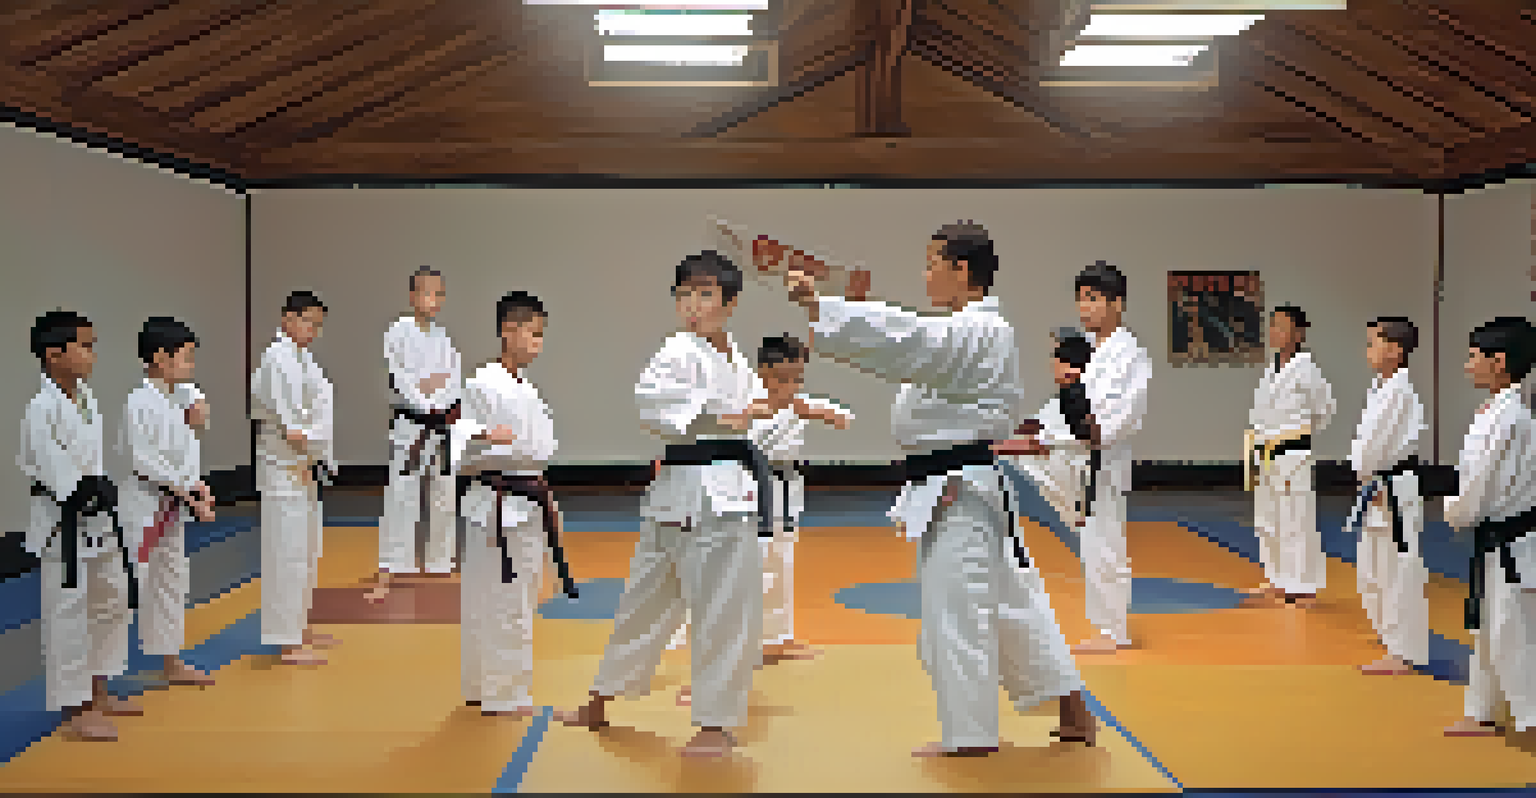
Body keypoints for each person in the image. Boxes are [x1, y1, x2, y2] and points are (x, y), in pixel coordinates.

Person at [765, 221, 1097, 756]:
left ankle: (970, 736)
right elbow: (915, 344)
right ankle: (1073, 711)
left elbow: (913, 341)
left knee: (958, 611)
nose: (925, 275)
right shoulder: (967, 331)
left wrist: (822, 308)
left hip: (959, 489)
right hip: (961, 486)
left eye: (930, 263)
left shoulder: (980, 330)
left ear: (960, 269)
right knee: (1013, 605)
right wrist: (836, 310)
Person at [556, 251, 777, 759]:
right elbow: (650, 405)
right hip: (677, 489)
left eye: (705, 295)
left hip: (727, 496)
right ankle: (600, 698)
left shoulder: (737, 361)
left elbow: (753, 423)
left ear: (731, 302)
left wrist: (747, 418)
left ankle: (715, 724)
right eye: (683, 295)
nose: (692, 306)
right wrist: (726, 415)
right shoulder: (677, 351)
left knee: (725, 611)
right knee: (642, 601)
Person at [670, 333, 854, 705]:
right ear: (762, 374)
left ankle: (776, 639)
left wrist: (819, 411)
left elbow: (845, 419)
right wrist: (755, 413)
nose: (790, 387)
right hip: (747, 491)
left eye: (796, 379)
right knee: (736, 579)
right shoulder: (744, 405)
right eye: (782, 379)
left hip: (786, 491)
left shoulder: (798, 404)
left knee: (780, 566)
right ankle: (709, 669)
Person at [20, 310, 140, 741]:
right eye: (84, 346)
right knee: (69, 614)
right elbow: (55, 471)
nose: (92, 354)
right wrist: (87, 490)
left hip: (98, 521)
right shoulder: (41, 409)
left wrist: (103, 493)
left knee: (111, 601)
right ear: (55, 354)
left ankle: (100, 688)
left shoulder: (86, 398)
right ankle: (78, 706)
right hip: (64, 524)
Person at [454, 291, 574, 717]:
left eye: (543, 335)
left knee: (496, 598)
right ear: (509, 330)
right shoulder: (482, 383)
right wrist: (487, 439)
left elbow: (539, 451)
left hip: (523, 501)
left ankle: (481, 685)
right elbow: (462, 447)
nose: (539, 344)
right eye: (534, 334)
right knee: (506, 601)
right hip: (500, 503)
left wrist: (548, 501)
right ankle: (503, 694)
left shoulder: (523, 387)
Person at [1442, 317, 1536, 737]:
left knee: (1513, 631)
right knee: (1488, 627)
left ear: (1499, 361)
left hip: (1514, 539)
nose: (1467, 365)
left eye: (1472, 356)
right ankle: (1482, 710)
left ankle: (1531, 718)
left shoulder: (1512, 418)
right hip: (1498, 536)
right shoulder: (1497, 411)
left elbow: (1479, 482)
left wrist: (1456, 512)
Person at [118, 317, 218, 688]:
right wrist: (189, 491)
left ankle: (171, 661)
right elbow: (142, 460)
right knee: (131, 588)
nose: (192, 365)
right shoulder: (140, 401)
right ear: (160, 357)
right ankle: (96, 680)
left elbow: (195, 418)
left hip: (173, 505)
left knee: (171, 583)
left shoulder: (178, 396)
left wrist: (195, 489)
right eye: (187, 357)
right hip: (146, 504)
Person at [251, 291, 340, 666]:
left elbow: (320, 412)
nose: (312, 331)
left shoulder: (305, 361)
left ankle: (298, 625)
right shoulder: (277, 358)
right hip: (283, 464)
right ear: (287, 318)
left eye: (318, 325)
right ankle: (286, 640)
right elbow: (293, 428)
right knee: (285, 553)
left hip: (304, 465)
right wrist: (312, 442)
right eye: (307, 322)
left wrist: (318, 450)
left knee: (305, 552)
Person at [369, 267, 463, 604]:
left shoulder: (444, 337)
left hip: (441, 424)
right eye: (426, 293)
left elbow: (453, 380)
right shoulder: (398, 331)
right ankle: (394, 564)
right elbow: (401, 380)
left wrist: (440, 400)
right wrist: (427, 398)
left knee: (443, 492)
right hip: (411, 424)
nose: (433, 300)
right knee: (403, 493)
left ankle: (440, 561)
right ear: (412, 296)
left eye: (439, 294)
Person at [1072, 262, 1152, 654]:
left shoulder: (1130, 353)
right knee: (1092, 543)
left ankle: (1114, 629)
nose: (1085, 308)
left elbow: (1128, 411)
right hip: (1083, 456)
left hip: (1106, 454)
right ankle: (1103, 625)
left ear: (1117, 303)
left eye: (1094, 299)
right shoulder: (1090, 352)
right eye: (1081, 299)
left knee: (1106, 543)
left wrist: (1095, 431)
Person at [1349, 317, 1428, 676]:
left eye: (1373, 343)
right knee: (1373, 568)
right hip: (1377, 484)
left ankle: (1403, 651)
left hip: (1392, 486)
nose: (1367, 350)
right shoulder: (1382, 388)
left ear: (1396, 351)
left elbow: (1380, 447)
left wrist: (1371, 475)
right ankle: (1388, 635)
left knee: (1397, 570)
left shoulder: (1400, 391)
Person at [1245, 304, 1335, 609]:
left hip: (1293, 454)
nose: (1275, 332)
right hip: (1265, 452)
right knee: (1267, 519)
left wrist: (1298, 435)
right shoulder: (1270, 368)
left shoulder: (1307, 370)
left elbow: (1324, 410)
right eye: (1272, 326)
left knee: (1297, 519)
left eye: (1282, 327)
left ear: (1298, 334)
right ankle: (1276, 578)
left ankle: (1304, 586)